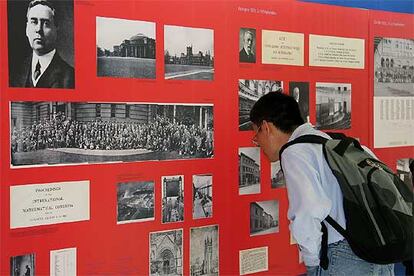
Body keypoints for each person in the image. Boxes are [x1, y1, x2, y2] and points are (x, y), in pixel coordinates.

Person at [249, 92, 394, 275]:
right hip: (379, 250)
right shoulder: (338, 143)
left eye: (256, 135)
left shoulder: (294, 151)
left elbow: (307, 212)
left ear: (266, 127)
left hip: (344, 256)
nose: (257, 143)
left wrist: (312, 263)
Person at [11, 0, 74, 88]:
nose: (38, 29)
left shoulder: (70, 76)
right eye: (34, 22)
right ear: (26, 28)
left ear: (56, 28)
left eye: (46, 23)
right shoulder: (16, 71)